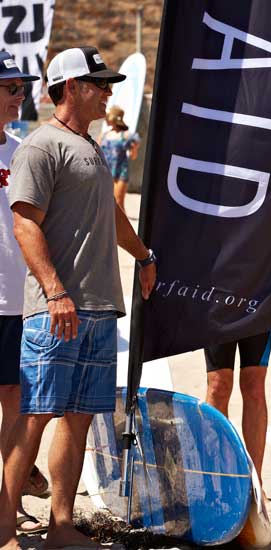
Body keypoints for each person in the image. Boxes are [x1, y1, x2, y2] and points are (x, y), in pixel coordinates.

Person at [0, 46, 156, 550]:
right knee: (34, 414)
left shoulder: (88, 145)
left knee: (79, 417)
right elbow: (25, 223)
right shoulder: (41, 146)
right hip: (57, 307)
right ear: (71, 87)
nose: (109, 92)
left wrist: (144, 255)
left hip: (98, 304)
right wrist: (55, 291)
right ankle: (3, 530)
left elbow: (110, 214)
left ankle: (60, 526)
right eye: (99, 83)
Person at [0, 51, 50, 536]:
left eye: (22, 87)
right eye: (11, 87)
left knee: (16, 403)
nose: (21, 96)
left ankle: (7, 504)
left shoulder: (21, 152)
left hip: (19, 302)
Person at [203, 233, 271, 487]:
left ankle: (256, 482)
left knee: (254, 386)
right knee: (219, 386)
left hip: (260, 294)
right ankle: (219, 479)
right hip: (215, 293)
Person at [98, 105, 139, 212]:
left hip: (120, 172)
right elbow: (97, 153)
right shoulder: (104, 135)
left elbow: (133, 156)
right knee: (103, 203)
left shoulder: (126, 136)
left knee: (118, 203)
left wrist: (135, 148)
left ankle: (121, 224)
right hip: (105, 172)